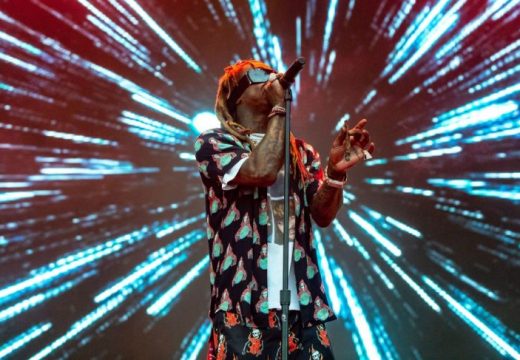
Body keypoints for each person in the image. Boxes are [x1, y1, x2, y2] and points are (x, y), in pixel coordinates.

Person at [194, 59, 375, 359]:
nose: (273, 78)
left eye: (273, 74)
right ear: (237, 95)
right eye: (259, 76)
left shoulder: (301, 153)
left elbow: (323, 215)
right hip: (243, 307)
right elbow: (262, 169)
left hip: (301, 306)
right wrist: (279, 107)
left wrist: (335, 173)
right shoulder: (214, 143)